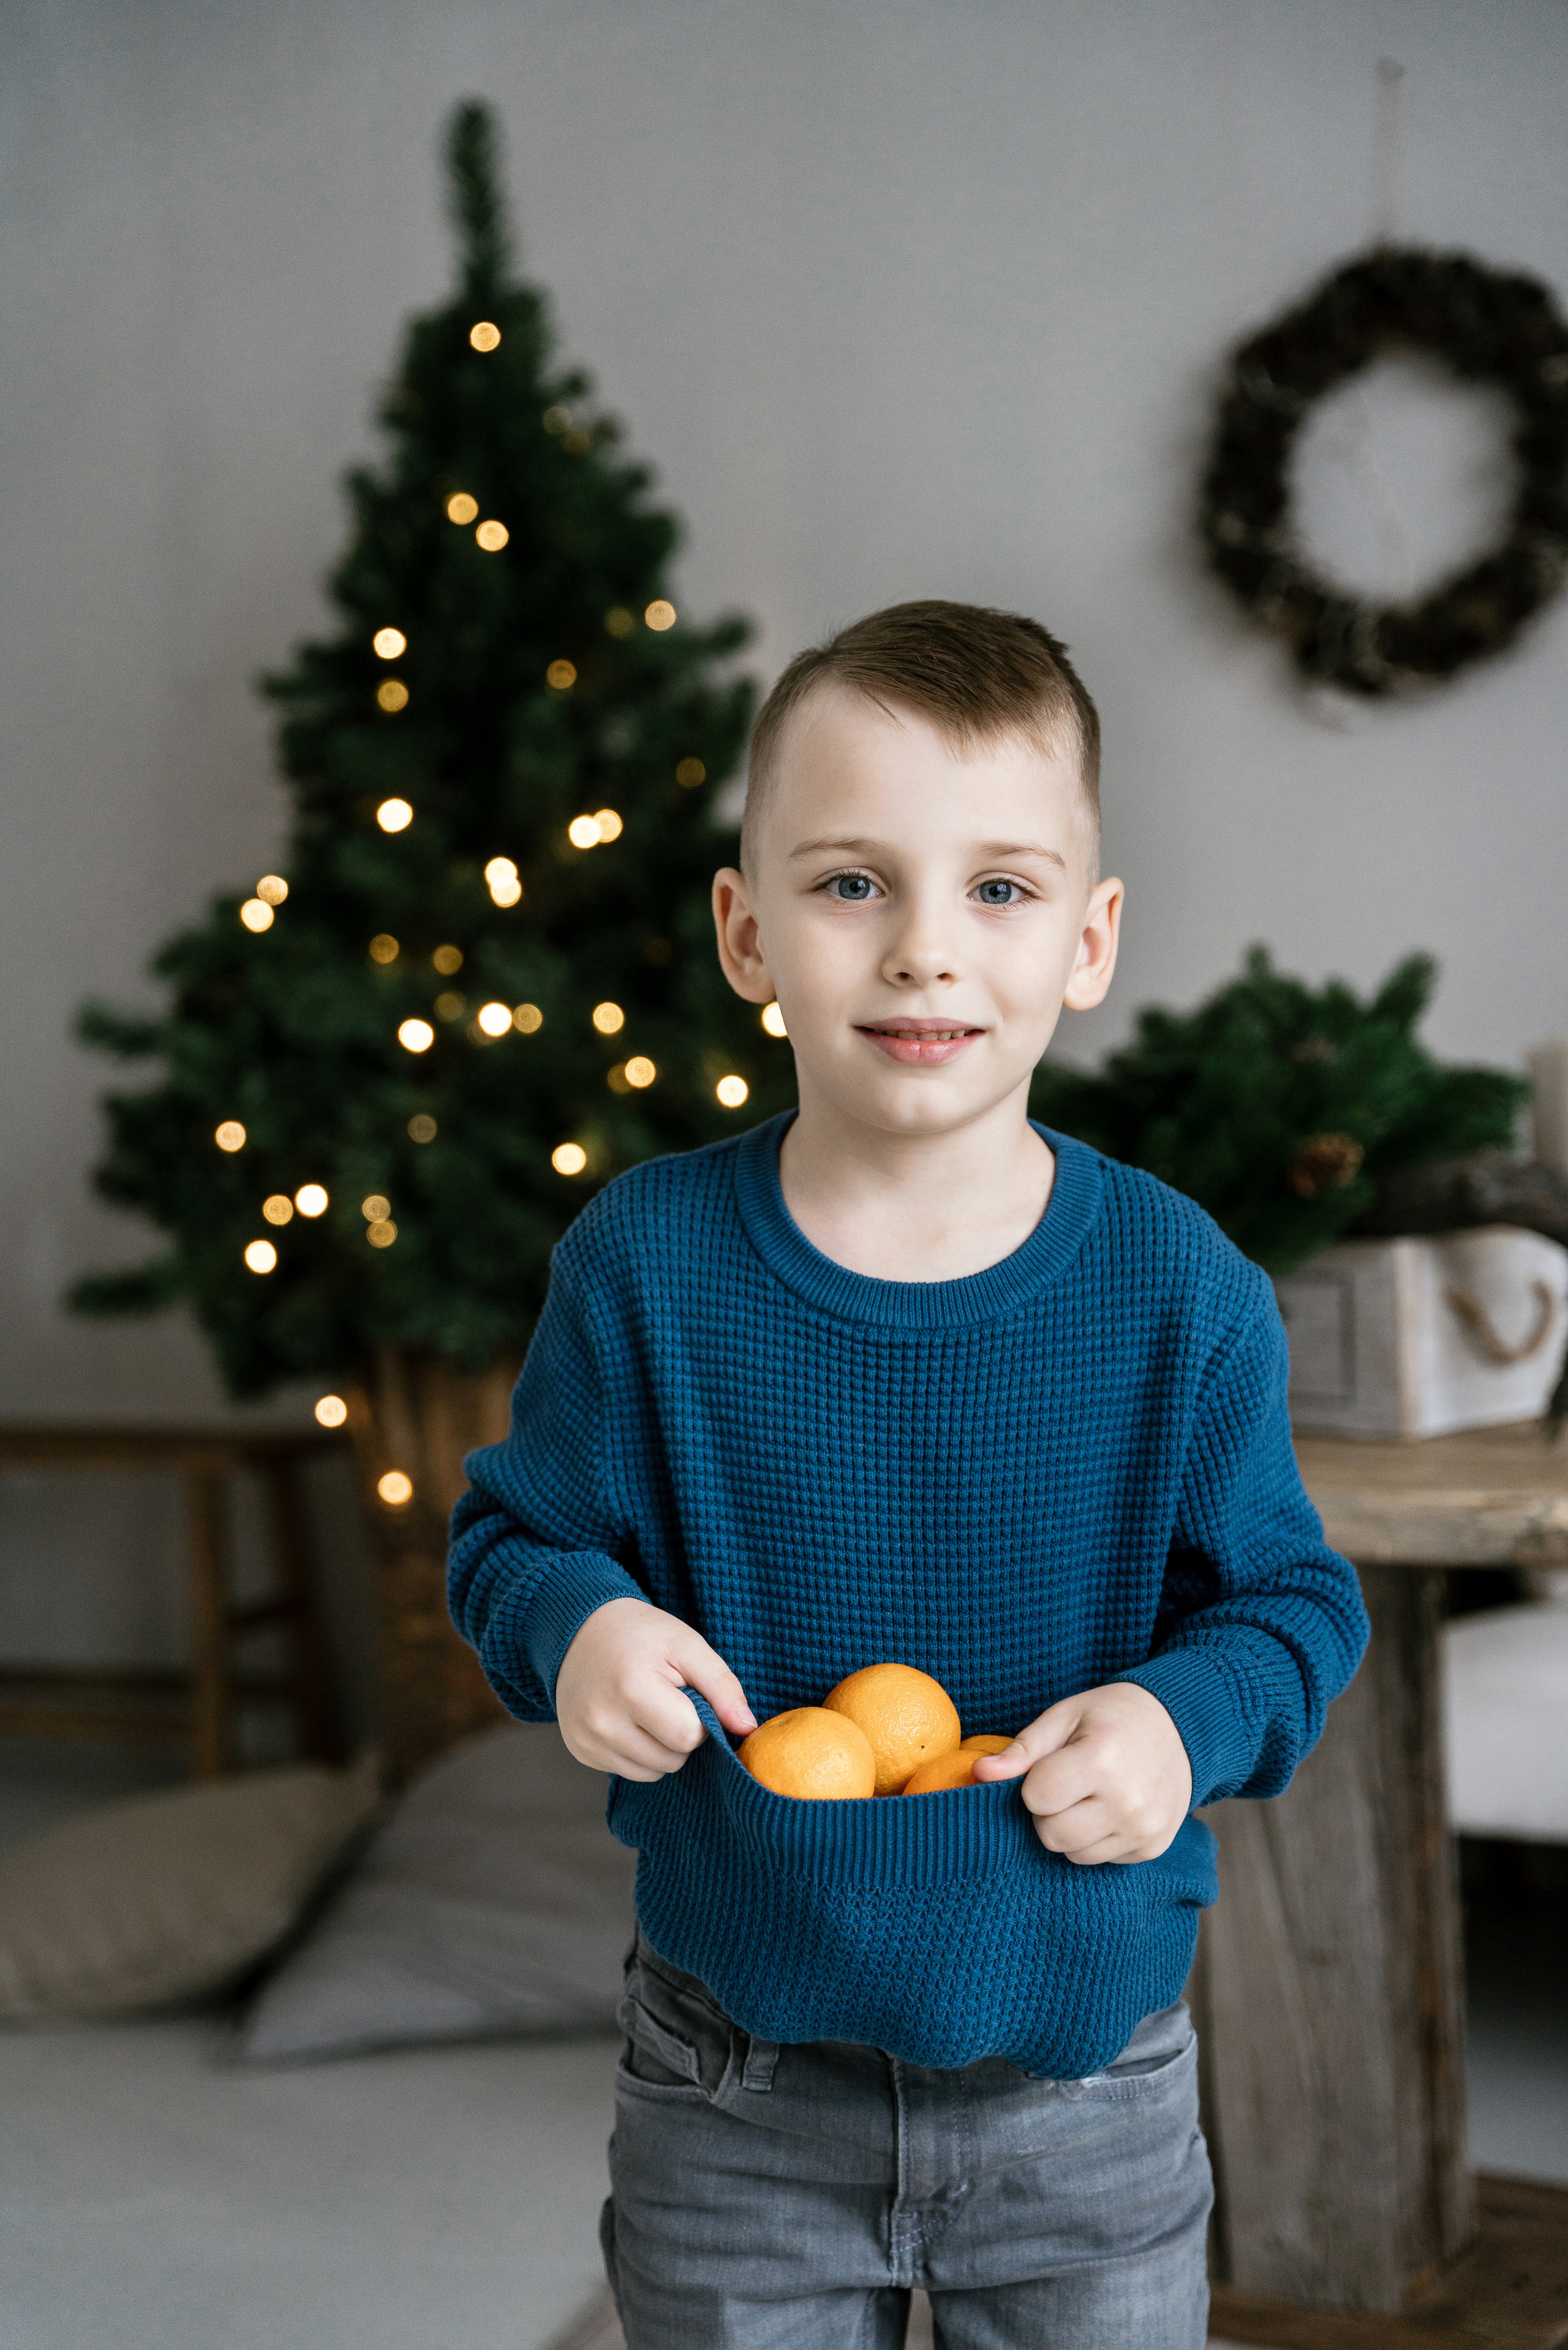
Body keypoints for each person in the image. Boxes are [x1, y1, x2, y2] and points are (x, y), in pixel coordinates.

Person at [449, 600, 1369, 2349]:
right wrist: (576, 1629)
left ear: (1091, 941)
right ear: (746, 930)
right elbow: (517, 1537)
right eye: (853, 883)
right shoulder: (644, 1268)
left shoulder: (1182, 1292)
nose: (925, 953)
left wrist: (1182, 1724)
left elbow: (1293, 1609)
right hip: (734, 2070)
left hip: (1086, 2067)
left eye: (1001, 891)